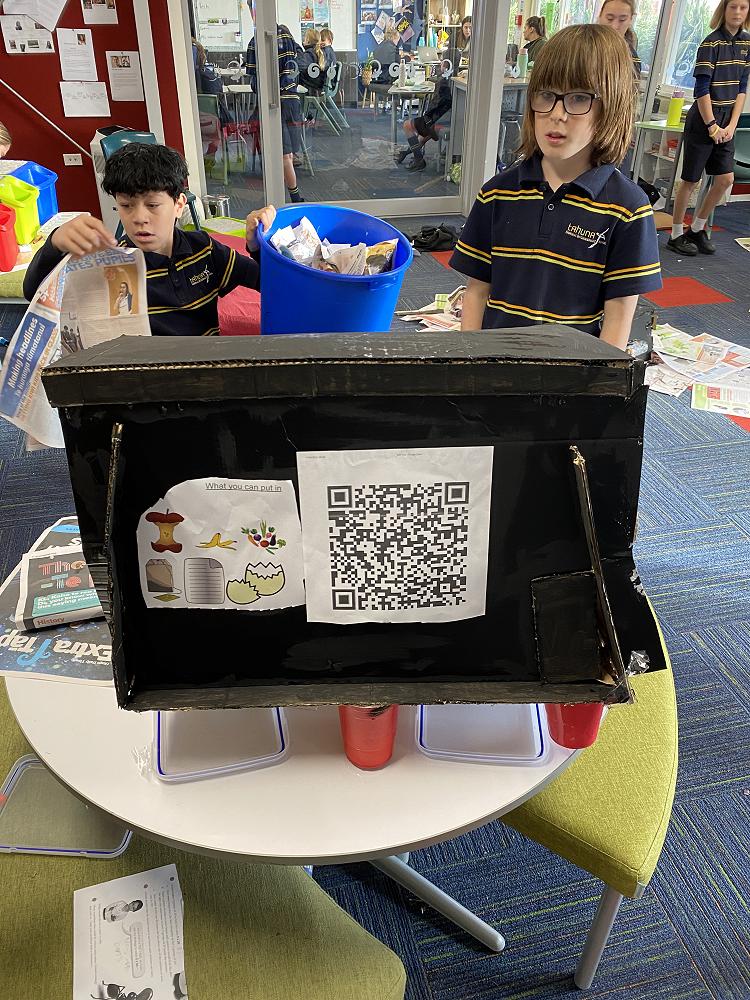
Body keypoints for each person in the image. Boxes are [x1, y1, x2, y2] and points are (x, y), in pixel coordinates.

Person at [451, 24, 661, 349]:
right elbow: (476, 292)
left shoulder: (627, 209)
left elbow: (619, 317)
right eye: (547, 95)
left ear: (611, 107)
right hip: (496, 369)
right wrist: (471, 364)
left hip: (574, 374)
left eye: (578, 98)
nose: (557, 114)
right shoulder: (497, 194)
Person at [23, 143, 276, 337]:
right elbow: (34, 294)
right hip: (144, 381)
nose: (139, 218)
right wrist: (53, 244)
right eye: (126, 205)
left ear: (179, 205)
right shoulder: (112, 264)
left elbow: (269, 283)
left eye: (153, 205)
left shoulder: (204, 249)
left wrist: (258, 247)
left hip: (205, 373)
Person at [667, 0, 750, 256]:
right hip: (704, 118)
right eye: (733, 7)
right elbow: (701, 90)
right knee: (691, 180)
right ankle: (676, 234)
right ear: (724, 9)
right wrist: (712, 125)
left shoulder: (747, 43)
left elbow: (742, 88)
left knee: (726, 179)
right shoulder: (710, 43)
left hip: (728, 119)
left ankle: (697, 228)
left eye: (743, 7)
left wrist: (732, 125)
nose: (737, 12)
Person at [395, 16, 472, 172]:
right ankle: (407, 153)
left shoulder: (445, 84)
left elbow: (435, 109)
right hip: (447, 117)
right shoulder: (454, 80)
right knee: (425, 133)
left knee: (408, 125)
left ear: (445, 64)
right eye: (466, 27)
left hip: (440, 118)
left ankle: (418, 160)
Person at [246, 3, 305, 203]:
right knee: (288, 156)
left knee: (281, 156)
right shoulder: (287, 36)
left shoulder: (256, 41)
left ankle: (293, 199)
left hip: (273, 104)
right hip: (292, 101)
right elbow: (297, 67)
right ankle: (289, 197)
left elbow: (255, 82)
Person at [597, 0, 641, 76]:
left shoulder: (632, 59)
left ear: (631, 20)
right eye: (610, 19)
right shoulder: (582, 45)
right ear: (600, 15)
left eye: (622, 20)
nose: (614, 26)